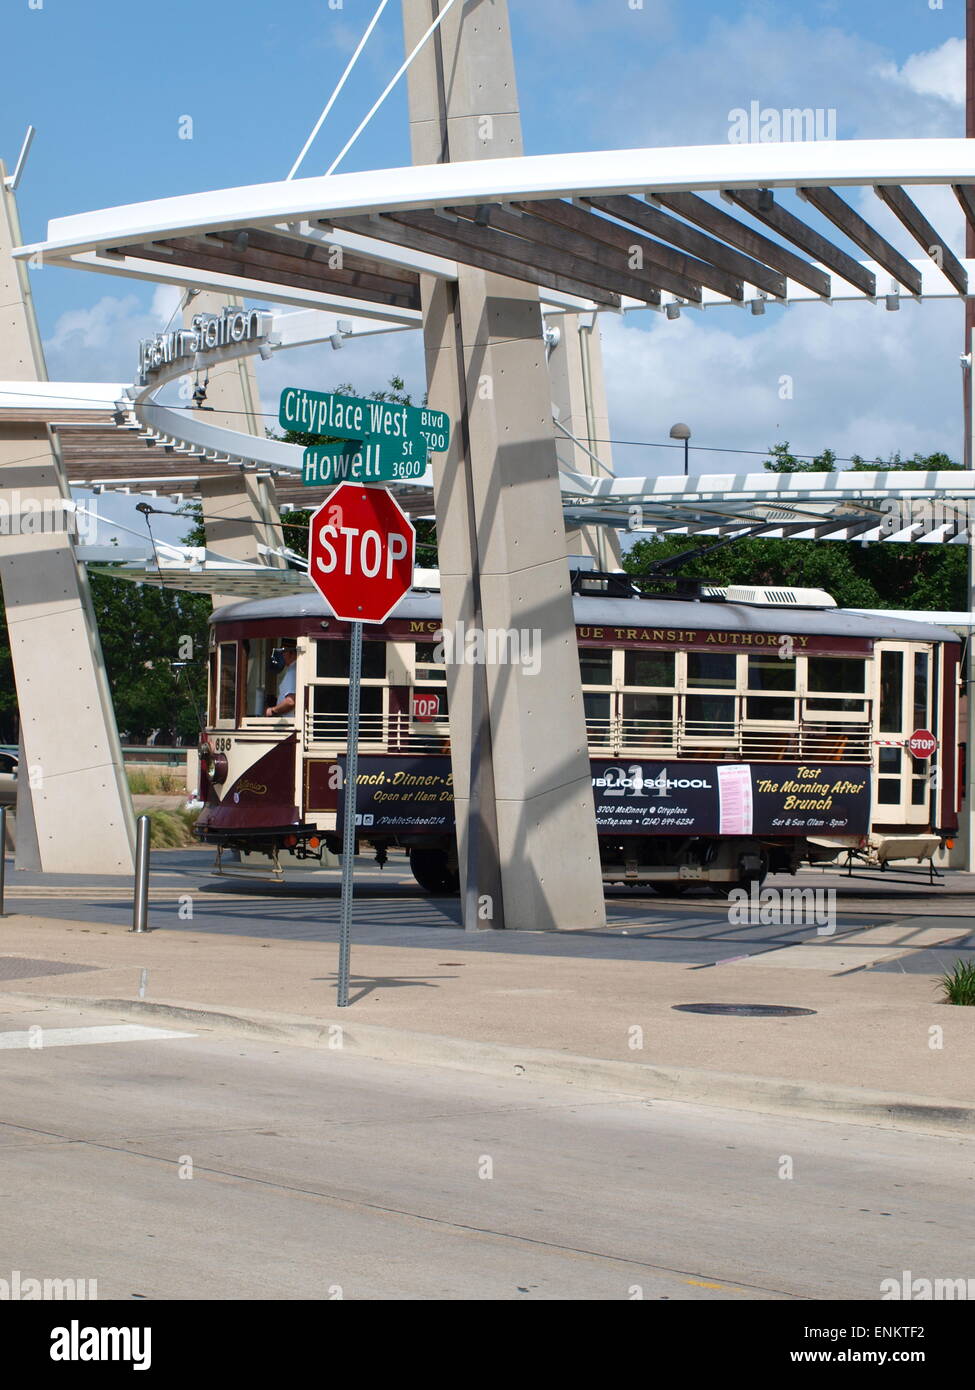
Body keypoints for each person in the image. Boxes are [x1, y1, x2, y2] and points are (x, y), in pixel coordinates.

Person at [265, 639, 298, 717]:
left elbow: (290, 701)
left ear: (292, 653)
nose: (281, 655)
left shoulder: (292, 672)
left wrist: (272, 710)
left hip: (289, 724)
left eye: (283, 652)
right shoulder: (293, 669)